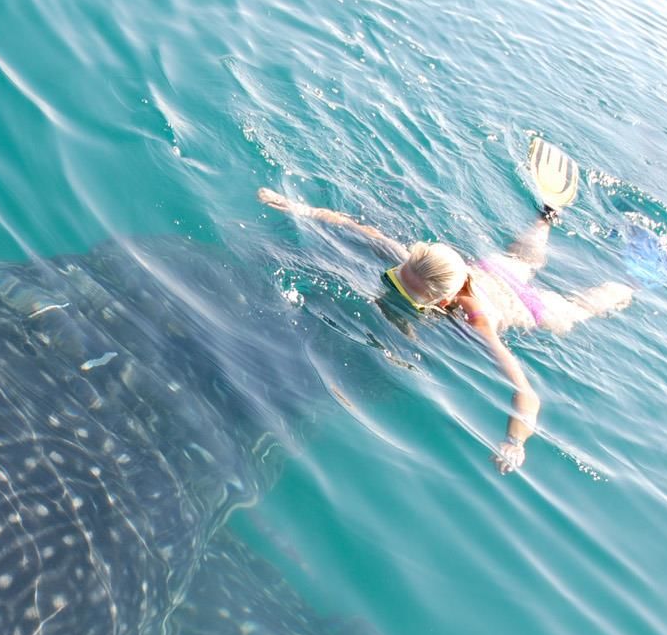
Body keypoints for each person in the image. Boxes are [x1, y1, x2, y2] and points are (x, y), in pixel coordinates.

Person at [255, 139, 632, 474]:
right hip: (494, 270)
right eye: (396, 281)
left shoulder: (476, 322)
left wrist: (515, 442)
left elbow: (526, 394)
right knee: (525, 255)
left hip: (525, 306)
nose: (398, 290)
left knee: (576, 310)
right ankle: (548, 215)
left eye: (409, 297)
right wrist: (294, 207)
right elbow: (358, 227)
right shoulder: (417, 264)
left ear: (444, 301)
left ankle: (627, 286)